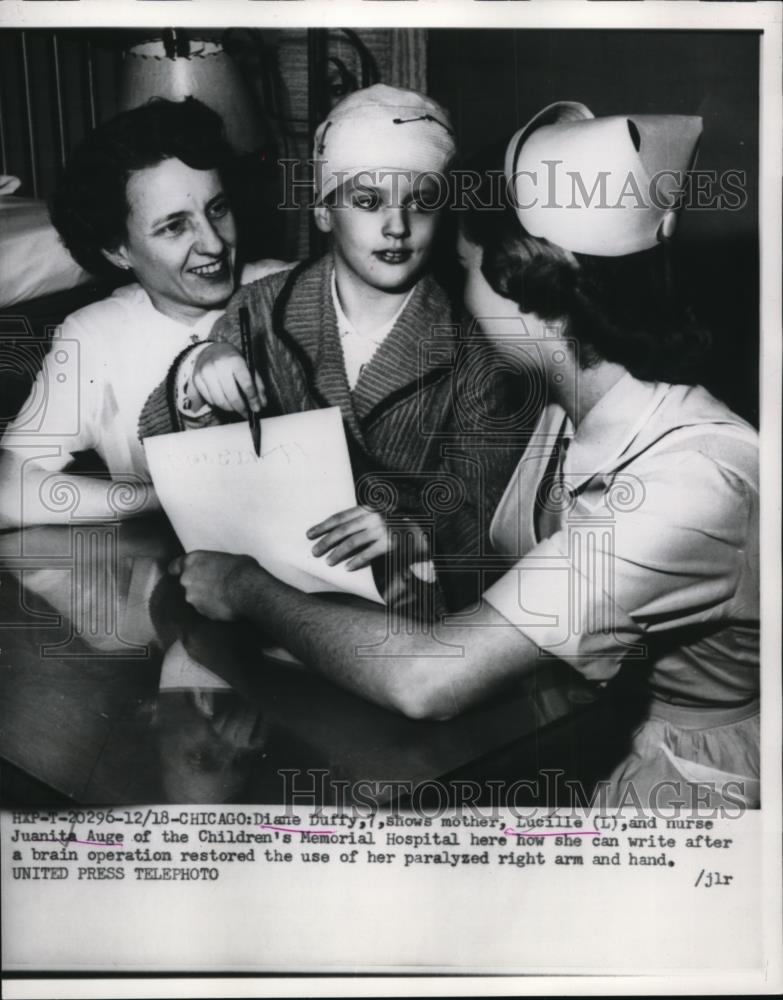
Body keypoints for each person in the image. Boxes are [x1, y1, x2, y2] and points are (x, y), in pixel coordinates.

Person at [169, 101, 760, 810]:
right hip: (584, 719)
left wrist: (242, 588)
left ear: (524, 288)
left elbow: (428, 679)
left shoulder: (690, 482)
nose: (455, 288)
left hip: (698, 778)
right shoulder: (563, 406)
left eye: (466, 268)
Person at [139, 84, 524, 612]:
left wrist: (415, 531)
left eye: (421, 204)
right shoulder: (261, 310)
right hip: (269, 588)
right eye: (368, 202)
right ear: (323, 210)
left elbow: (488, 509)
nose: (397, 227)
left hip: (408, 604)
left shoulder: (473, 347)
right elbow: (162, 443)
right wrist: (197, 375)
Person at [0, 98, 288, 528]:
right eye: (174, 226)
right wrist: (165, 499)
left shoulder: (292, 290)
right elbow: (8, 490)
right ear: (118, 250)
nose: (213, 244)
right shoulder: (97, 335)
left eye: (217, 209)